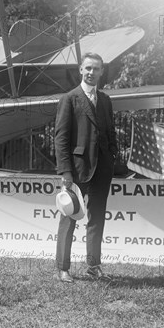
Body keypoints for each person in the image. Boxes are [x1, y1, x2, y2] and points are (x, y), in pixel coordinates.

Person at [54, 52, 118, 283]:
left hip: (102, 169)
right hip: (77, 170)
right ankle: (63, 269)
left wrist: (112, 156)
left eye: (96, 69)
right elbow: (61, 138)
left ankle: (94, 266)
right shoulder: (69, 99)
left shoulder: (106, 100)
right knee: (69, 218)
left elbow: (110, 132)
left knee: (97, 218)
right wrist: (66, 172)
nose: (92, 72)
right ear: (81, 69)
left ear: (102, 72)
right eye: (88, 68)